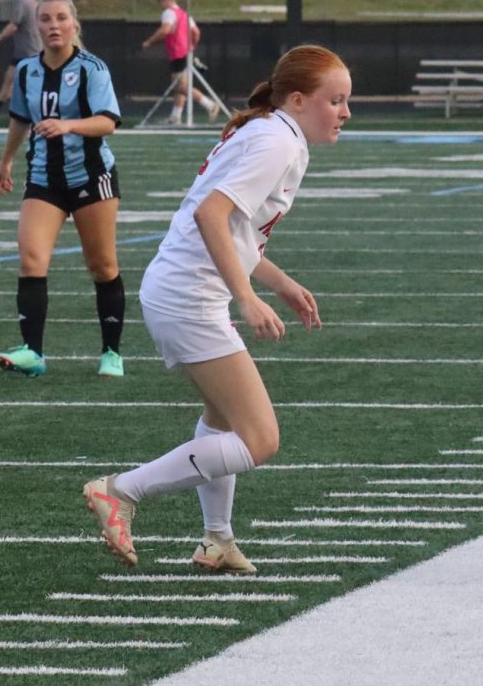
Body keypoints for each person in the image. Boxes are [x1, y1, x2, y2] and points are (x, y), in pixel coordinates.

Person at [82, 45, 350, 573]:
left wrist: (277, 282)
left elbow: (233, 231)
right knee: (259, 438)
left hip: (181, 289)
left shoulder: (274, 131)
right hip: (187, 296)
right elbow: (211, 214)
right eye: (335, 100)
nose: (345, 112)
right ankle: (120, 491)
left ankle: (217, 539)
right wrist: (246, 297)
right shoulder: (277, 140)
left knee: (222, 418)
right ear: (298, 100)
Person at [0, 0, 126, 379]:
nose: (53, 25)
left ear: (74, 24)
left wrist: (67, 124)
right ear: (37, 26)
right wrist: (6, 161)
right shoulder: (26, 71)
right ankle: (33, 352)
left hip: (90, 176)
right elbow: (19, 119)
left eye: (61, 18)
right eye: (45, 19)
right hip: (43, 179)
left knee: (102, 266)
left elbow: (108, 122)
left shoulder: (92, 69)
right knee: (31, 259)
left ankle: (111, 353)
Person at [141, 0, 220, 124]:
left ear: (165, 0)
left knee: (181, 87)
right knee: (180, 85)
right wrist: (192, 47)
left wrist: (149, 42)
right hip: (186, 53)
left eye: (160, 2)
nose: (160, 6)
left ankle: (210, 105)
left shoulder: (168, 13)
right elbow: (196, 32)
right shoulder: (184, 14)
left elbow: (165, 30)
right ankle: (176, 116)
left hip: (177, 53)